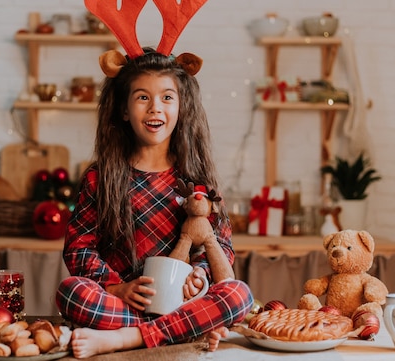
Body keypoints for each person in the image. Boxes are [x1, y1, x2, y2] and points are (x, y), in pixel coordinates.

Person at [56, 48, 254, 358]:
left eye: (166, 97)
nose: (155, 108)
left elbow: (221, 247)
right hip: (124, 303)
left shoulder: (198, 180)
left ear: (181, 107)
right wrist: (116, 287)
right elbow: (79, 247)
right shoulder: (100, 177)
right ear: (124, 109)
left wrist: (199, 276)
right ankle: (184, 331)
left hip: (182, 303)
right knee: (73, 293)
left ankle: (127, 338)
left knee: (239, 295)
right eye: (142, 97)